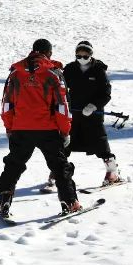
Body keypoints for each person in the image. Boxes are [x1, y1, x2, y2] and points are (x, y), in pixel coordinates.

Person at [0, 38, 81, 217]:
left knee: (14, 164)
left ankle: (4, 201)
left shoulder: (15, 73)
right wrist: (65, 131)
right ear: (49, 53)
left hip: (20, 129)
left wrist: (10, 128)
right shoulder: (53, 73)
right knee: (59, 166)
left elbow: (6, 105)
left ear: (33, 51)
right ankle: (70, 202)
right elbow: (62, 106)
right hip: (48, 130)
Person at [48, 40, 121, 190]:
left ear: (90, 54)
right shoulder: (70, 69)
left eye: (85, 54)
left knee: (100, 143)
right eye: (79, 54)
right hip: (72, 114)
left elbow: (106, 93)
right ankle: (57, 173)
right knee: (64, 144)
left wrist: (94, 105)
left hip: (92, 115)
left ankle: (112, 172)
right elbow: (60, 88)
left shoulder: (98, 70)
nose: (82, 57)